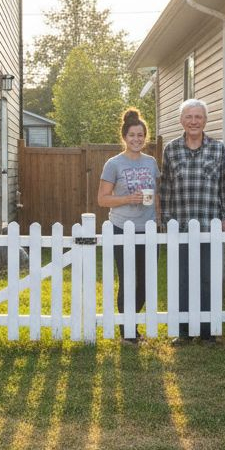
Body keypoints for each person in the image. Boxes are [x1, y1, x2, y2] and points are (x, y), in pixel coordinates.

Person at [158, 98, 225, 346]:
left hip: (210, 226)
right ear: (182, 120)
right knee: (182, 279)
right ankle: (183, 332)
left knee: (208, 279)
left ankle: (207, 332)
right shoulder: (171, 150)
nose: (193, 121)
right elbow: (165, 189)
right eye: (189, 117)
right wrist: (166, 220)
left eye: (198, 117)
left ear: (205, 121)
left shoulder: (218, 149)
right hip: (180, 227)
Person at [96, 108, 158, 343]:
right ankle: (128, 332)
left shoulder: (151, 162)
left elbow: (156, 195)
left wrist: (159, 218)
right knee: (128, 280)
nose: (136, 139)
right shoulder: (113, 164)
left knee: (146, 281)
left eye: (140, 135)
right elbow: (102, 199)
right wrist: (127, 198)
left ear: (145, 137)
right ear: (124, 137)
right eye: (132, 135)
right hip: (122, 228)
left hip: (148, 228)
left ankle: (132, 325)